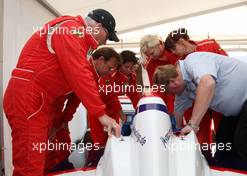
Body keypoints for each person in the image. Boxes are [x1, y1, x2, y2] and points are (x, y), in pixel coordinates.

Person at [3, 9, 121, 176]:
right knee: (30, 166)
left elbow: (71, 82)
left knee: (44, 159)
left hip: (40, 101)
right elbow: (79, 74)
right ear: (98, 27)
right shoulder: (72, 29)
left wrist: (58, 123)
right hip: (30, 99)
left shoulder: (75, 34)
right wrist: (101, 114)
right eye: (107, 36)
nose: (106, 43)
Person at [153, 52, 247, 174]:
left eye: (169, 92)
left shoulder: (193, 61)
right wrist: (176, 132)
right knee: (223, 143)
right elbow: (178, 111)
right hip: (239, 109)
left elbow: (208, 83)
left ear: (173, 82)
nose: (172, 95)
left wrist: (193, 124)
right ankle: (230, 172)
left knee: (244, 142)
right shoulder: (183, 89)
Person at [164, 28, 228, 144]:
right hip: (198, 102)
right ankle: (204, 158)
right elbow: (182, 92)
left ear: (182, 42)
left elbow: (227, 66)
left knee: (224, 133)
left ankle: (224, 159)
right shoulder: (180, 63)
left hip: (220, 98)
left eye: (174, 48)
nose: (173, 53)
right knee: (200, 137)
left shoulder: (209, 44)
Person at [139, 34, 180, 117]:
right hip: (169, 106)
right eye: (148, 55)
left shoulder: (175, 52)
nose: (151, 57)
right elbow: (156, 89)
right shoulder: (150, 65)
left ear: (159, 45)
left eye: (152, 53)